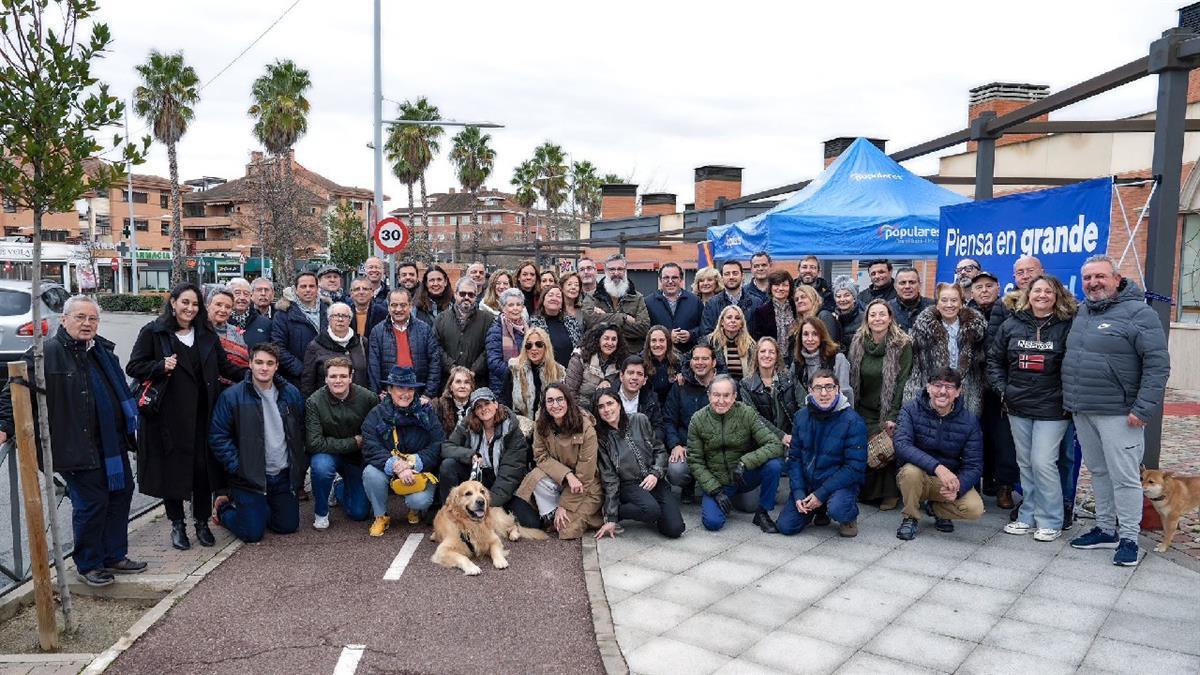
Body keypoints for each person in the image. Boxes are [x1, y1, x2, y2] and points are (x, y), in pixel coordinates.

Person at [0, 296, 146, 587]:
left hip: (111, 444)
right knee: (92, 503)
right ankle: (89, 564)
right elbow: (13, 392)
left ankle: (114, 555)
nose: (86, 323)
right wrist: (4, 426)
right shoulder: (45, 354)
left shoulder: (103, 351)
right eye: (80, 317)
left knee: (121, 494)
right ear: (64, 320)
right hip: (74, 444)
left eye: (92, 318)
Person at [1064, 255, 1170, 566]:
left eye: (1100, 276)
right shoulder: (1082, 311)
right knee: (1098, 471)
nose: (1093, 283)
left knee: (1125, 477)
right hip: (1084, 408)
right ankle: (1106, 529)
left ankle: (1129, 538)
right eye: (1087, 278)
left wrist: (1144, 408)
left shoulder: (1139, 313)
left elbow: (1158, 365)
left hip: (1121, 413)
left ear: (1117, 279)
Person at [127, 283, 243, 550]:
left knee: (202, 471)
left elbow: (224, 367)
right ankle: (177, 524)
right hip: (168, 417)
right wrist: (159, 366)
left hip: (203, 414)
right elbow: (134, 366)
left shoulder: (206, 334)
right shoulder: (154, 332)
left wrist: (254, 376)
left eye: (195, 304)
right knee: (173, 472)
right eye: (185, 302)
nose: (190, 308)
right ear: (173, 303)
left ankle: (201, 522)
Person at [988, 275, 1076, 542]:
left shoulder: (1068, 325)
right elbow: (994, 359)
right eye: (1037, 291)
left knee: (1043, 462)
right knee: (1025, 463)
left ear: (1057, 295)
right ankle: (1028, 515)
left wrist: (1067, 396)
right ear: (1028, 295)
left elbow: (1076, 364)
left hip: (1053, 407)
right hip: (1018, 405)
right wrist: (1003, 390)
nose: (1042, 295)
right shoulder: (1012, 324)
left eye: (1048, 291)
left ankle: (1051, 519)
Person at [209, 342, 306, 543]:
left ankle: (260, 509)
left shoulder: (291, 393)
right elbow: (218, 436)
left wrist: (299, 464)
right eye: (259, 362)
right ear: (250, 364)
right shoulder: (231, 396)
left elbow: (301, 430)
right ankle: (223, 508)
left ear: (277, 366)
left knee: (287, 526)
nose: (264, 368)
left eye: (270, 363)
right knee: (252, 534)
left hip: (282, 475)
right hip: (249, 478)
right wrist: (239, 467)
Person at [894, 368, 985, 540]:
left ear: (958, 392)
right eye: (937, 385)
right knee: (910, 472)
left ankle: (936, 509)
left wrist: (959, 487)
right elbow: (902, 445)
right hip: (916, 477)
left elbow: (974, 465)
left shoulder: (969, 421)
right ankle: (910, 517)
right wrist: (938, 467)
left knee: (974, 508)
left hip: (946, 482)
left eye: (949, 387)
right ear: (928, 387)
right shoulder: (910, 409)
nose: (942, 391)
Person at [776, 369, 867, 538]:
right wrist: (798, 493)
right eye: (818, 388)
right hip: (810, 483)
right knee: (786, 526)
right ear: (810, 391)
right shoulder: (801, 417)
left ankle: (848, 516)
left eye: (829, 387)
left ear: (837, 389)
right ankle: (819, 509)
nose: (824, 393)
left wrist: (821, 494)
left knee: (838, 509)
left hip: (839, 484)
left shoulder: (853, 421)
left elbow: (854, 468)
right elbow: (794, 458)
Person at [688, 375, 784, 532]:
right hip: (718, 481)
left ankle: (762, 513)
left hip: (744, 475)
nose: (721, 401)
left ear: (734, 396)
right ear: (709, 395)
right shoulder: (698, 419)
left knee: (775, 465)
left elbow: (775, 444)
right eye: (716, 395)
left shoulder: (747, 413)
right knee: (713, 523)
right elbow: (695, 461)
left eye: (726, 395)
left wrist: (745, 462)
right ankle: (728, 498)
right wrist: (715, 490)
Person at [848, 299, 913, 511]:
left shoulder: (902, 344)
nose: (878, 319)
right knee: (861, 443)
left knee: (885, 445)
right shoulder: (858, 342)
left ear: (890, 318)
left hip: (888, 408)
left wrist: (893, 415)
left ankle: (889, 493)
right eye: (873, 315)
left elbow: (902, 382)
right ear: (866, 319)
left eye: (882, 314)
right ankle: (865, 491)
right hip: (863, 407)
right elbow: (851, 379)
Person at [439, 388, 539, 526]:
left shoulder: (512, 430)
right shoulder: (467, 424)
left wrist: (486, 504)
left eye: (487, 403)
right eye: (478, 406)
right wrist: (470, 455)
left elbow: (509, 475)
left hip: (504, 481)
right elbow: (446, 448)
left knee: (531, 522)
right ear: (474, 411)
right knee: (448, 465)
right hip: (477, 479)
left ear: (495, 404)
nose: (483, 409)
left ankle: (489, 513)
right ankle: (449, 515)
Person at [361, 366, 442, 534]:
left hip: (418, 470)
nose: (405, 393)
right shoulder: (376, 414)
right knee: (370, 473)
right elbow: (370, 446)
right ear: (390, 389)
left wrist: (413, 463)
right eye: (400, 388)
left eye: (410, 389)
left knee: (419, 501)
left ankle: (414, 509)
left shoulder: (427, 412)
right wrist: (396, 465)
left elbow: (438, 443)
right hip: (390, 467)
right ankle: (381, 516)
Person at [515, 384, 603, 539]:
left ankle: (573, 513)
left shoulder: (585, 427)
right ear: (545, 405)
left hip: (585, 486)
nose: (555, 405)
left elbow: (585, 476)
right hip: (560, 479)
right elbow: (541, 456)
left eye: (560, 399)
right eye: (550, 401)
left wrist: (564, 505)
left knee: (567, 530)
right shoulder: (541, 425)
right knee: (535, 476)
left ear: (568, 401)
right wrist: (567, 475)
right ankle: (552, 514)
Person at [594, 390, 684, 539]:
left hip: (653, 478)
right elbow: (609, 478)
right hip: (629, 484)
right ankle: (621, 511)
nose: (607, 409)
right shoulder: (602, 438)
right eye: (601, 406)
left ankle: (652, 511)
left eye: (610, 403)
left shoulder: (639, 420)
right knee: (651, 510)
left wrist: (655, 473)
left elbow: (660, 450)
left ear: (619, 404)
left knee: (675, 529)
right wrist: (612, 516)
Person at [305, 356, 376, 529]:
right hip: (328, 455)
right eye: (333, 376)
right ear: (326, 378)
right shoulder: (314, 402)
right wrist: (353, 442)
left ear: (351, 377)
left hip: (356, 458)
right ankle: (321, 513)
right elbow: (314, 443)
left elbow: (373, 434)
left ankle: (337, 486)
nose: (338, 380)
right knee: (321, 467)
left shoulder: (368, 398)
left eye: (343, 376)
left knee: (359, 513)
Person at [970, 269, 1017, 510]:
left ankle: (1004, 486)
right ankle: (977, 484)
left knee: (1004, 439)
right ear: (972, 292)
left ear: (998, 288)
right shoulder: (965, 313)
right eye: (979, 287)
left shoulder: (1010, 310)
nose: (984, 290)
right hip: (973, 384)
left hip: (1000, 386)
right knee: (976, 437)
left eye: (989, 286)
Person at [905, 283, 987, 417]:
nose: (949, 305)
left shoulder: (976, 330)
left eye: (954, 300)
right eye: (944, 300)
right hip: (933, 397)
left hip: (966, 398)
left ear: (961, 303)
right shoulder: (922, 330)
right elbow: (915, 369)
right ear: (937, 304)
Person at [663, 344, 717, 503]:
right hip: (687, 447)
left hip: (717, 449)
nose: (700, 362)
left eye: (705, 358)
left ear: (713, 362)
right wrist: (675, 444)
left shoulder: (724, 385)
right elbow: (669, 419)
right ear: (691, 362)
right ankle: (688, 484)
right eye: (696, 359)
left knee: (748, 504)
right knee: (676, 471)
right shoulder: (680, 386)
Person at [367, 287, 441, 399]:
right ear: (388, 307)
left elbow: (434, 363)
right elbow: (373, 366)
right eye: (394, 305)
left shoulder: (424, 329)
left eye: (403, 305)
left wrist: (428, 394)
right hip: (389, 396)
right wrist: (377, 392)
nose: (398, 309)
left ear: (410, 306)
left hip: (419, 395)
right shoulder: (377, 331)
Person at [271, 271, 328, 389]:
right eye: (303, 286)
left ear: (317, 289)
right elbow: (278, 347)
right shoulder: (283, 314)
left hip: (326, 377)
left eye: (311, 286)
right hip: (296, 379)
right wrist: (302, 370)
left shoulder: (329, 311)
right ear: (295, 290)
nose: (308, 290)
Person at [301, 302, 368, 397]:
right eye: (336, 316)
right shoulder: (315, 346)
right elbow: (308, 381)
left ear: (350, 320)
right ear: (329, 319)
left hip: (359, 400)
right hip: (327, 402)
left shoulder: (362, 342)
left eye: (345, 316)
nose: (340, 319)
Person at [435, 277, 492, 387]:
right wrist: (452, 368)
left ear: (476, 297)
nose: (466, 297)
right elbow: (436, 346)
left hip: (477, 383)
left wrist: (473, 370)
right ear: (455, 294)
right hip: (449, 383)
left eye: (471, 295)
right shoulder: (441, 319)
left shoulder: (487, 319)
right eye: (462, 294)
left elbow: (489, 348)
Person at [738, 337, 798, 441]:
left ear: (777, 356)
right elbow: (754, 417)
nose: (767, 355)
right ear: (756, 355)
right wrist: (781, 436)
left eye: (771, 352)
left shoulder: (789, 378)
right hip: (763, 440)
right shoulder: (746, 385)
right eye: (762, 351)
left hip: (793, 437)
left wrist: (798, 434)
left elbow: (803, 405)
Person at [586, 253, 650, 344]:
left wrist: (604, 318)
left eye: (620, 269)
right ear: (605, 271)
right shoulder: (592, 296)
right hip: (600, 349)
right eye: (612, 269)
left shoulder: (637, 298)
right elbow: (589, 322)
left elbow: (644, 329)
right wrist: (623, 318)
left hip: (630, 351)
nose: (616, 273)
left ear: (625, 271)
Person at [505, 326, 566, 420]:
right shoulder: (514, 369)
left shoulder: (558, 372)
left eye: (539, 344)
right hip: (520, 423)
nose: (533, 349)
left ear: (546, 347)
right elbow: (505, 400)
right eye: (529, 345)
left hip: (549, 423)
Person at [793, 317, 854, 405]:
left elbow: (845, 395)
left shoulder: (837, 359)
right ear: (800, 338)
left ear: (822, 336)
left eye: (815, 334)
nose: (810, 339)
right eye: (805, 334)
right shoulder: (797, 363)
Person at [645, 262, 703, 352]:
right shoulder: (648, 302)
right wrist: (667, 335)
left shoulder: (695, 301)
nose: (670, 281)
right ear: (660, 280)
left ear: (681, 279)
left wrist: (691, 334)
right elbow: (645, 329)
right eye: (666, 278)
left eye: (674, 277)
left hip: (689, 354)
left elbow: (703, 326)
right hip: (659, 355)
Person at [564, 323, 626, 403]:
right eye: (606, 338)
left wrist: (608, 381)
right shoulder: (580, 358)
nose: (610, 343)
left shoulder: (621, 360)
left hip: (608, 406)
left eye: (613, 339)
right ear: (598, 339)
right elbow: (570, 392)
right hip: (581, 405)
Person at [607, 355, 664, 439]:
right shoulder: (607, 396)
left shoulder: (651, 399)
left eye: (639, 374)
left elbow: (659, 429)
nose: (634, 377)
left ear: (644, 380)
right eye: (630, 373)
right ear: (621, 376)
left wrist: (645, 439)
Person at [486, 287, 528, 393]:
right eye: (511, 305)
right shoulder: (496, 330)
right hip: (503, 386)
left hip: (527, 384)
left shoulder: (528, 328)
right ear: (503, 308)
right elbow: (494, 362)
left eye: (518, 304)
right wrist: (516, 374)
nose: (515, 308)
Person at [207, 288, 250, 389]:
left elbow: (243, 361)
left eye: (228, 307)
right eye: (218, 305)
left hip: (236, 388)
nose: (223, 310)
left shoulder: (236, 331)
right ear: (208, 305)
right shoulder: (200, 331)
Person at [700, 260, 757, 335]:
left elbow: (759, 333)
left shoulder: (756, 302)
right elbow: (706, 333)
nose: (731, 277)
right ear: (722, 278)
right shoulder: (711, 304)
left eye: (735, 273)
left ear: (742, 276)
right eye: (727, 274)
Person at [530, 285, 579, 366]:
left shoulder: (571, 321)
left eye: (558, 296)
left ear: (562, 303)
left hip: (571, 371)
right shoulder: (534, 323)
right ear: (543, 300)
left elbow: (578, 348)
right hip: (545, 370)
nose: (554, 298)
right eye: (550, 295)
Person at [706, 305, 754, 382]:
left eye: (737, 318)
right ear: (722, 322)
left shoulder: (750, 345)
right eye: (729, 317)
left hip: (744, 387)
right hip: (718, 385)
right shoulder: (710, 341)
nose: (733, 321)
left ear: (741, 324)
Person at [641, 325, 684, 406]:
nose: (657, 344)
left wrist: (684, 374)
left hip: (672, 405)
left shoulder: (678, 360)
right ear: (648, 343)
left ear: (668, 342)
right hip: (648, 406)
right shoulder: (640, 362)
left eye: (661, 340)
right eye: (654, 340)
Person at [750, 269, 796, 342]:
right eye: (777, 285)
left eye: (785, 285)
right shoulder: (761, 312)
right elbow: (759, 339)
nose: (780, 288)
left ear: (790, 287)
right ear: (770, 287)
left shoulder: (796, 307)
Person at [794, 283, 840, 354]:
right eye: (796, 299)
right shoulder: (797, 323)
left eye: (803, 297)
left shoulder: (824, 316)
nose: (799, 301)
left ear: (813, 298)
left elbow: (830, 345)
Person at [226, 278, 270, 348]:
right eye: (237, 293)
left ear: (250, 297)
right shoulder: (221, 321)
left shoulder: (265, 323)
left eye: (246, 294)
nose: (242, 297)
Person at [432, 366, 475, 437]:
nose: (462, 386)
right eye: (458, 382)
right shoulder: (438, 406)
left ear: (471, 387)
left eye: (466, 382)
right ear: (450, 387)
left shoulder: (477, 407)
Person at [888, 267, 933, 332]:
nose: (907, 286)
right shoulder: (887, 308)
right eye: (902, 283)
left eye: (912, 282)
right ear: (895, 286)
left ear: (919, 285)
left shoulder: (932, 307)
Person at [349, 276, 388, 342]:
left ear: (372, 292)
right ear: (351, 293)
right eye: (357, 289)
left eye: (365, 289)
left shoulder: (383, 314)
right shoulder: (344, 314)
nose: (361, 292)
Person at [831, 276, 863, 352]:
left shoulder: (864, 318)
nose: (842, 299)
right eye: (838, 296)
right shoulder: (831, 319)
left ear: (854, 298)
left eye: (847, 295)